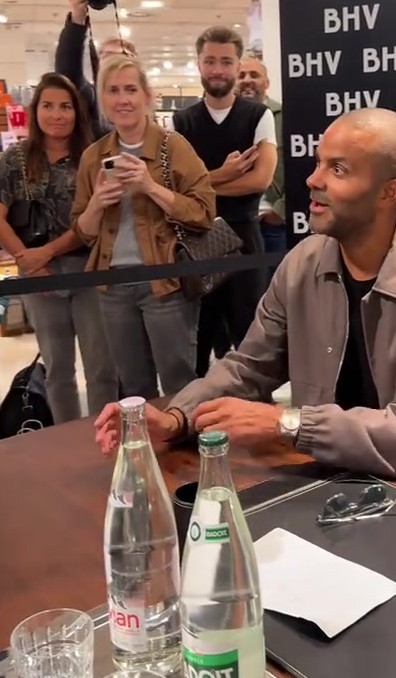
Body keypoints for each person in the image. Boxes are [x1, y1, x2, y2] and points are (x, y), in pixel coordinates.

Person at [95, 108, 396, 514]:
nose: (313, 179)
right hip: (328, 492)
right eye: (319, 162)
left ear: (388, 193)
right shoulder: (302, 263)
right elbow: (248, 367)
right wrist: (178, 418)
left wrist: (287, 423)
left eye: (338, 169)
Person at [72, 55, 215, 401]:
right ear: (103, 100)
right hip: (112, 287)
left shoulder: (172, 146)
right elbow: (83, 231)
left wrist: (150, 186)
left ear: (147, 96)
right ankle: (146, 452)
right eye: (113, 90)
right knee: (133, 387)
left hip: (165, 283)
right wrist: (97, 203)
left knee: (179, 380)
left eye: (131, 90)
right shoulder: (94, 157)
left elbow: (204, 212)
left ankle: (186, 449)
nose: (123, 99)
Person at [0, 73, 117, 423]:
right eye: (48, 106)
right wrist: (26, 259)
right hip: (38, 277)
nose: (57, 115)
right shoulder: (15, 159)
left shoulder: (90, 157)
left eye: (65, 106)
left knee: (101, 368)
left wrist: (47, 252)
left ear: (77, 112)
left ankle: (104, 438)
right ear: (35, 110)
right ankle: (66, 442)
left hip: (87, 270)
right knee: (58, 370)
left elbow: (93, 221)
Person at [174, 25, 277, 376]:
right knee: (197, 339)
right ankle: (193, 421)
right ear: (199, 65)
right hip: (194, 240)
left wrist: (200, 185)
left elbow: (260, 180)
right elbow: (174, 186)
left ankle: (254, 420)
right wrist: (226, 173)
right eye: (210, 61)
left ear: (236, 66)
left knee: (250, 338)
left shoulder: (257, 116)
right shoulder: (181, 121)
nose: (218, 69)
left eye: (226, 61)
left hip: (245, 240)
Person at [55, 0, 137, 139]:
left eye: (120, 56)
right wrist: (77, 18)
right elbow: (68, 72)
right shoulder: (91, 98)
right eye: (106, 56)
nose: (113, 63)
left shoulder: (143, 101)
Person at [235, 56, 286, 263]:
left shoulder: (285, 116)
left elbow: (300, 165)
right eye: (241, 75)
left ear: (267, 83)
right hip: (235, 222)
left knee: (278, 288)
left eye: (254, 75)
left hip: (272, 223)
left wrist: (280, 211)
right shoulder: (225, 120)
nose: (247, 80)